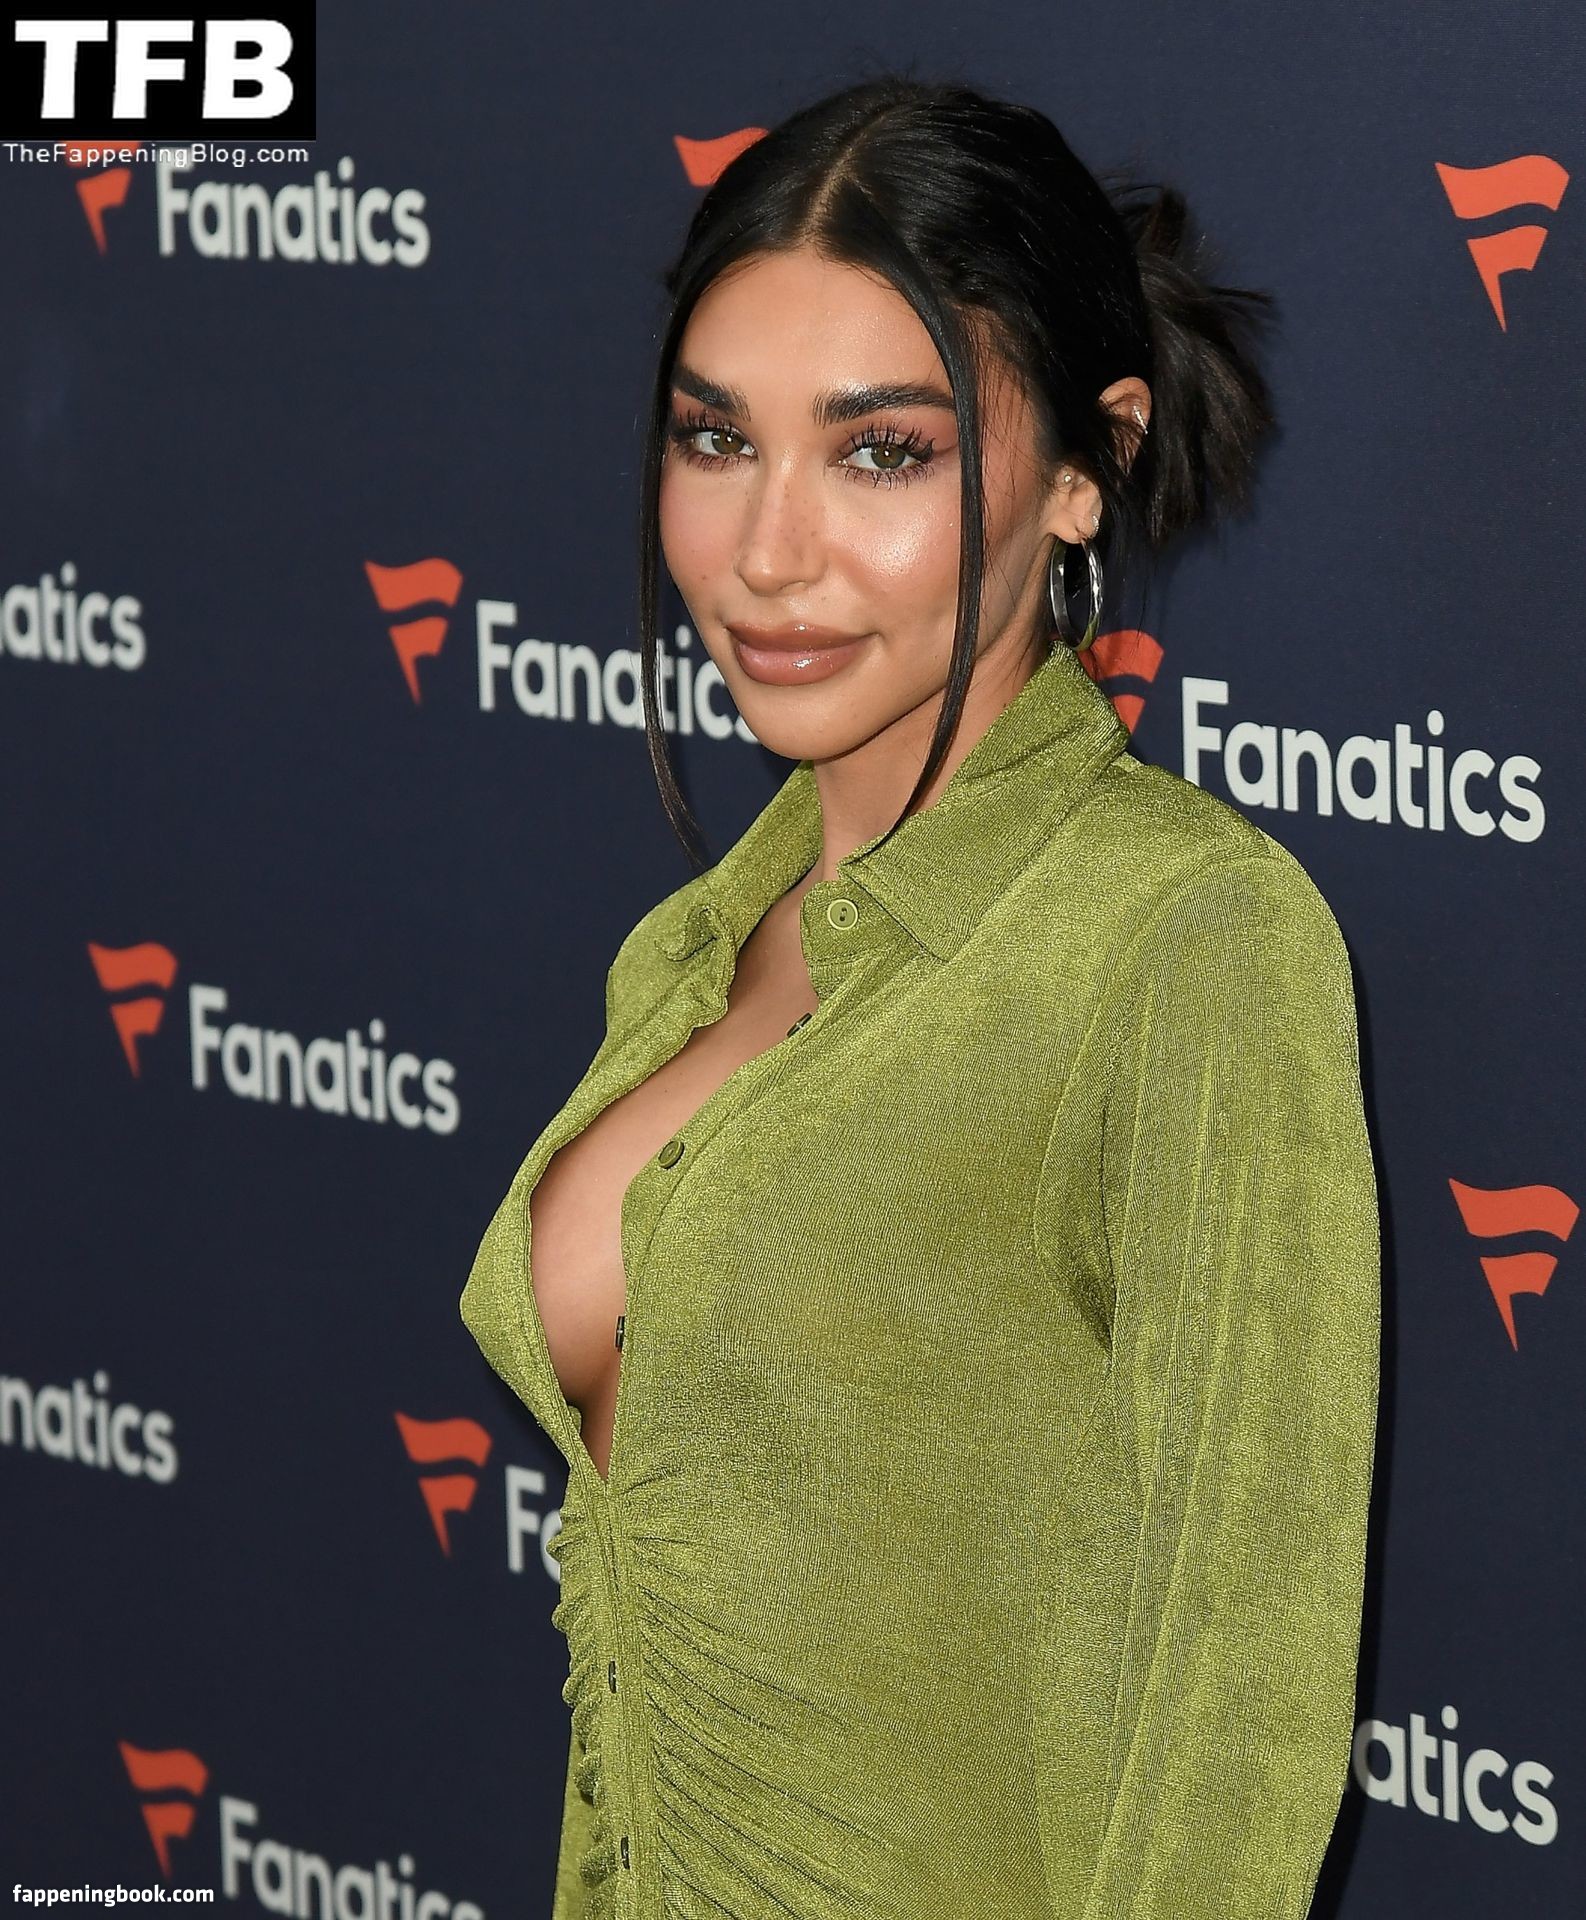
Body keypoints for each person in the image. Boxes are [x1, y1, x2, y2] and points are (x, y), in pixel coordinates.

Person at [460, 71, 1381, 1920]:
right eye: (715, 440)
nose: (766, 551)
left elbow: (1232, 1732)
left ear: (1081, 469)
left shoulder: (1184, 941)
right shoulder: (689, 953)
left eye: (881, 451)